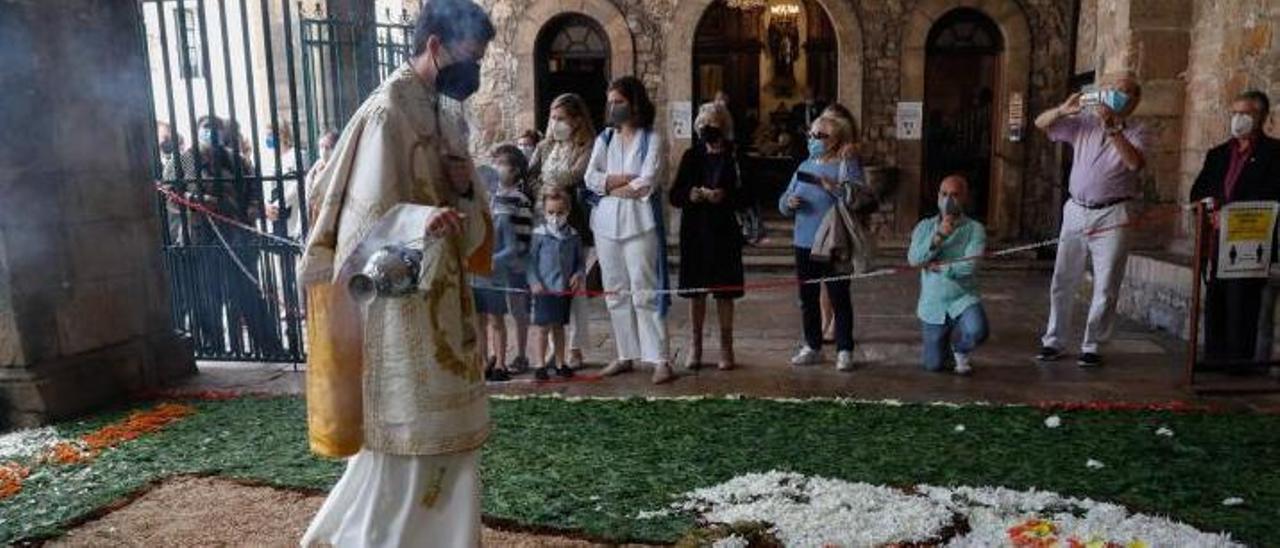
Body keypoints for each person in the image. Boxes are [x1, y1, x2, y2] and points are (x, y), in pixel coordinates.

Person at [298, 1, 496, 545]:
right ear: (436, 46)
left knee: (455, 440)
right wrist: (421, 218)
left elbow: (474, 223)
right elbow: (361, 230)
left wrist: (461, 186)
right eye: (470, 57)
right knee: (410, 439)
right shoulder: (387, 111)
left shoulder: (449, 110)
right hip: (403, 312)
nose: (474, 70)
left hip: (448, 305)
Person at [1034, 73, 1148, 368]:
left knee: (1107, 281)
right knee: (1063, 277)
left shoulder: (1137, 131)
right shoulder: (1083, 123)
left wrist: (1113, 130)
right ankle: (1054, 340)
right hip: (1076, 209)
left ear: (1134, 102)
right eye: (1111, 90)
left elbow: (1134, 163)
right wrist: (1061, 110)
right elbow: (1040, 124)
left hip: (1113, 212)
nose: (1115, 96)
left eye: (1123, 93)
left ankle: (1093, 344)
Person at [585, 76, 673, 384]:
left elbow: (647, 180)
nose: (613, 107)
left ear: (634, 103)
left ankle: (660, 357)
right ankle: (625, 353)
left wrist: (612, 184)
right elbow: (590, 178)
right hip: (606, 223)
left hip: (639, 222)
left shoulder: (652, 139)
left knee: (644, 290)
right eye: (611, 102)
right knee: (615, 292)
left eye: (619, 101)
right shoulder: (605, 139)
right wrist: (620, 180)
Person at [1190, 90, 1280, 366]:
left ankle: (1238, 362)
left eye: (1246, 113)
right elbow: (1199, 190)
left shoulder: (1275, 153)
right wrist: (1208, 209)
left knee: (1243, 300)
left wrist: (1231, 217)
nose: (1238, 119)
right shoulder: (1218, 154)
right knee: (1216, 298)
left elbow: (1273, 193)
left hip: (1251, 241)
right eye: (1235, 112)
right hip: (1217, 241)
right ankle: (1214, 358)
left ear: (1262, 117)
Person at [779, 112, 858, 371]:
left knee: (839, 296)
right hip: (804, 241)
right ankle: (812, 346)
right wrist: (788, 204)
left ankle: (845, 349)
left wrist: (833, 188)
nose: (813, 139)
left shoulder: (846, 165)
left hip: (834, 241)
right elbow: (784, 201)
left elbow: (859, 199)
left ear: (835, 140)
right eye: (811, 134)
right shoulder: (804, 166)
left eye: (820, 136)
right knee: (807, 298)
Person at [670, 102, 745, 371]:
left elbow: (749, 194)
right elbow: (674, 195)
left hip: (725, 231)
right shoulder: (692, 155)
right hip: (696, 231)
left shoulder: (735, 156)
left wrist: (725, 195)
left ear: (723, 126)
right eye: (702, 124)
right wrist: (691, 194)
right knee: (696, 292)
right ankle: (696, 345)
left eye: (711, 124)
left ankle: (727, 346)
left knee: (725, 292)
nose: (706, 129)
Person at [529, 93, 596, 368]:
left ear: (577, 120)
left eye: (561, 118)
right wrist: (542, 192)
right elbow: (530, 175)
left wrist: (551, 186)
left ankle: (575, 347)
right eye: (552, 118)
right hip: (544, 221)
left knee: (574, 287)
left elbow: (575, 176)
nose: (555, 123)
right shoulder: (545, 146)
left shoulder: (587, 146)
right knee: (548, 285)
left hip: (574, 224)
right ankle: (554, 349)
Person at [908, 175, 989, 375]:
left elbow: (969, 266)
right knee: (934, 366)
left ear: (965, 198)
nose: (948, 200)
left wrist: (941, 267)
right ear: (938, 197)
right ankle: (942, 346)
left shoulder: (975, 229)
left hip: (963, 298)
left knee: (979, 331)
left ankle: (960, 349)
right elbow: (914, 260)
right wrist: (939, 237)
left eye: (954, 195)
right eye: (944, 194)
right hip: (933, 304)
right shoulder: (925, 227)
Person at [817, 103, 868, 343]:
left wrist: (835, 188)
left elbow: (855, 192)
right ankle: (825, 321)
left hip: (843, 222)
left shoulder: (850, 155)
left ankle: (837, 324)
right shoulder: (820, 153)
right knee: (823, 280)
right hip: (822, 221)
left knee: (838, 278)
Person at [528, 189, 584, 380]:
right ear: (544, 212)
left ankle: (561, 362)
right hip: (544, 288)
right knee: (542, 328)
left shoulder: (573, 236)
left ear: (567, 211)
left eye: (560, 213)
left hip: (563, 289)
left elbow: (580, 262)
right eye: (550, 212)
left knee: (559, 327)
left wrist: (578, 274)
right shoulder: (539, 235)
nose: (555, 217)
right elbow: (530, 262)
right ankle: (540, 364)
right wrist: (534, 282)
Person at [491, 144, 536, 375]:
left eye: (502, 163)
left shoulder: (520, 199)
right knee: (495, 312)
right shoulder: (492, 196)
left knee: (518, 310)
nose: (497, 167)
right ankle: (495, 353)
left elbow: (526, 232)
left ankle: (521, 354)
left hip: (515, 264)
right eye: (495, 162)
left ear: (516, 170)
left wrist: (516, 256)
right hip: (495, 266)